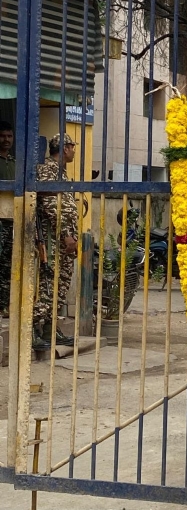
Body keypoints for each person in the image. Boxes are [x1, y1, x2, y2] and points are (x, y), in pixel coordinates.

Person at [32, 133, 78, 351]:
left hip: (65, 241)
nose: (74, 151)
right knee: (49, 286)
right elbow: (51, 205)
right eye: (73, 147)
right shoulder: (48, 169)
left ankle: (51, 329)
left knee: (61, 287)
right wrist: (65, 235)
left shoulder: (60, 171)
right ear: (66, 148)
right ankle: (32, 330)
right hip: (54, 240)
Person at [0, 120, 15, 316]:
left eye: (9, 136)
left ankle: (3, 305)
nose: (6, 140)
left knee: (6, 265)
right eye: (2, 136)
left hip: (11, 219)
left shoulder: (13, 163)